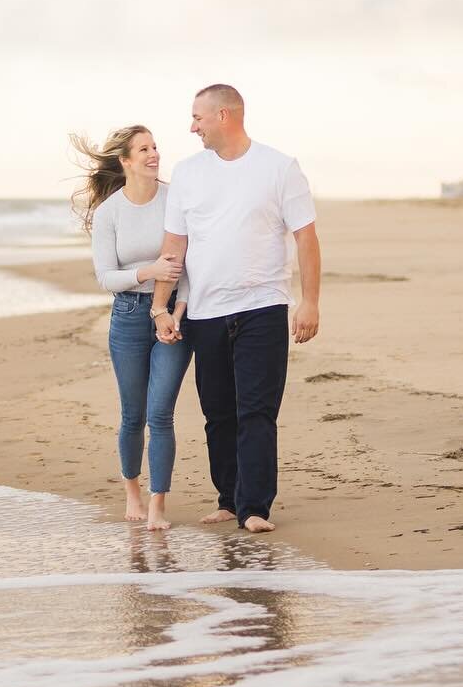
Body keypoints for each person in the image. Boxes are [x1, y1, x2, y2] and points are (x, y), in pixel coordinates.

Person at [151, 85, 320, 534]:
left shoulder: (279, 167)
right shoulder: (188, 174)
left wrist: (310, 302)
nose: (192, 127)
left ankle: (255, 507)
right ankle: (229, 498)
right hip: (205, 311)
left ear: (223, 115)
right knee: (218, 412)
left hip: (263, 306)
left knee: (257, 411)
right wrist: (161, 306)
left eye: (198, 118)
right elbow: (175, 245)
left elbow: (306, 236)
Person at [72, 124, 191, 531]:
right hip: (126, 317)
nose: (153, 154)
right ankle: (133, 494)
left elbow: (189, 263)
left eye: (155, 146)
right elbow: (105, 277)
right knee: (132, 415)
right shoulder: (110, 212)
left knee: (161, 413)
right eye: (143, 149)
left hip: (173, 316)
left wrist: (179, 310)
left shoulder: (176, 199)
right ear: (125, 161)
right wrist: (148, 271)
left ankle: (159, 503)